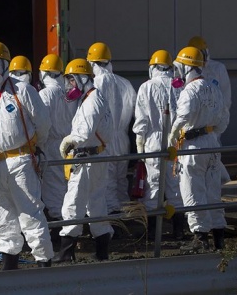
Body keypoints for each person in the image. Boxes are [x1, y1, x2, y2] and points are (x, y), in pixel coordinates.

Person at [0, 41, 53, 269]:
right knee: (0, 215)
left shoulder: (23, 91)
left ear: (3, 64)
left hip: (20, 160)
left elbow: (44, 125)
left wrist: (34, 147)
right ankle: (9, 262)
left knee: (30, 212)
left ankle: (43, 260)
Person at [168, 46, 229, 251]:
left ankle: (200, 238)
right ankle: (219, 237)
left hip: (193, 145)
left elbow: (183, 116)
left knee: (192, 191)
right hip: (212, 143)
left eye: (179, 68)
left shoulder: (190, 91)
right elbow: (224, 119)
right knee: (213, 191)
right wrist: (212, 132)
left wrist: (173, 135)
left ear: (187, 67)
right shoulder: (214, 87)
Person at [55, 58, 114, 262]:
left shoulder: (91, 101)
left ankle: (66, 253)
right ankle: (102, 252)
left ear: (81, 78)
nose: (70, 85)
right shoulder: (94, 98)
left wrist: (68, 141)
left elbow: (83, 132)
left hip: (87, 159)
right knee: (96, 203)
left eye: (72, 80)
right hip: (95, 156)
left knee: (73, 203)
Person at [132, 50, 185, 239]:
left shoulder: (146, 87)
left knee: (153, 187)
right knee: (176, 187)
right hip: (176, 143)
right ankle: (179, 231)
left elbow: (142, 120)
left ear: (153, 67)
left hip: (153, 142)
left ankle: (153, 234)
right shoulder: (179, 86)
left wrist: (140, 146)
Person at [87, 42, 136, 215]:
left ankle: (112, 221)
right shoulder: (125, 83)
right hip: (122, 140)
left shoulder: (95, 84)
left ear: (92, 63)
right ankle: (126, 216)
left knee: (106, 183)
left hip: (104, 140)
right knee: (121, 181)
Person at [36, 54, 78, 249]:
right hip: (68, 144)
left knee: (52, 190)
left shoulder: (45, 95)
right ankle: (67, 230)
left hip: (51, 144)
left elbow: (41, 123)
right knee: (66, 188)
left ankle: (57, 235)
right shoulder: (70, 94)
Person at [188, 36, 232, 184]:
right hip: (195, 122)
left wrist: (219, 122)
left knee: (211, 158)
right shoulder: (188, 68)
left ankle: (216, 184)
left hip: (212, 122)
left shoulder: (217, 68)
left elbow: (226, 98)